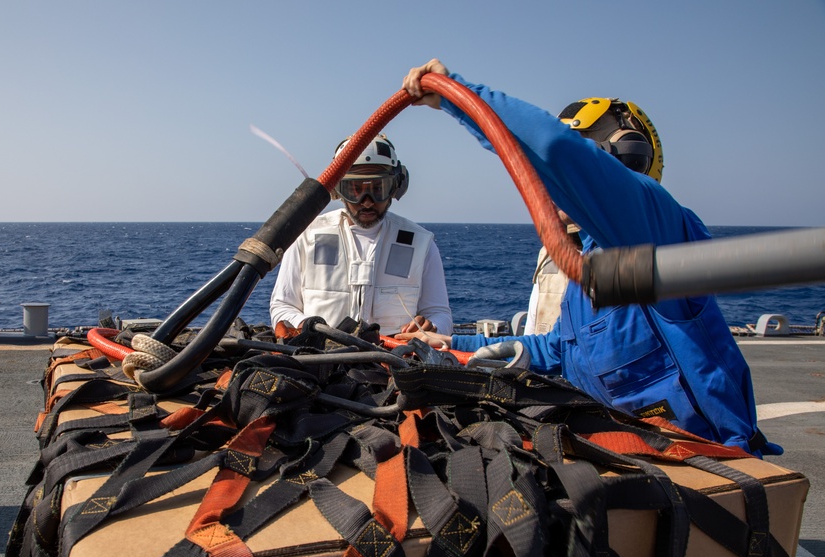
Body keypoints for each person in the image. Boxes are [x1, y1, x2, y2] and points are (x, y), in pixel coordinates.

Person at [398, 59, 781, 456]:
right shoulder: (588, 268)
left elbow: (555, 150)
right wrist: (451, 342)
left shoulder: (659, 232)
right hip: (627, 453)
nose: (552, 184)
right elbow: (562, 349)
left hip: (707, 458)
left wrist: (459, 96)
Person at [270, 134, 453, 336]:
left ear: (396, 186)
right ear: (337, 189)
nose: (367, 202)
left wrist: (431, 327)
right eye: (355, 190)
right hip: (318, 359)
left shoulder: (420, 244)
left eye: (378, 189)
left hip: (393, 360)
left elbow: (440, 314)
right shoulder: (306, 236)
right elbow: (282, 306)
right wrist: (309, 327)